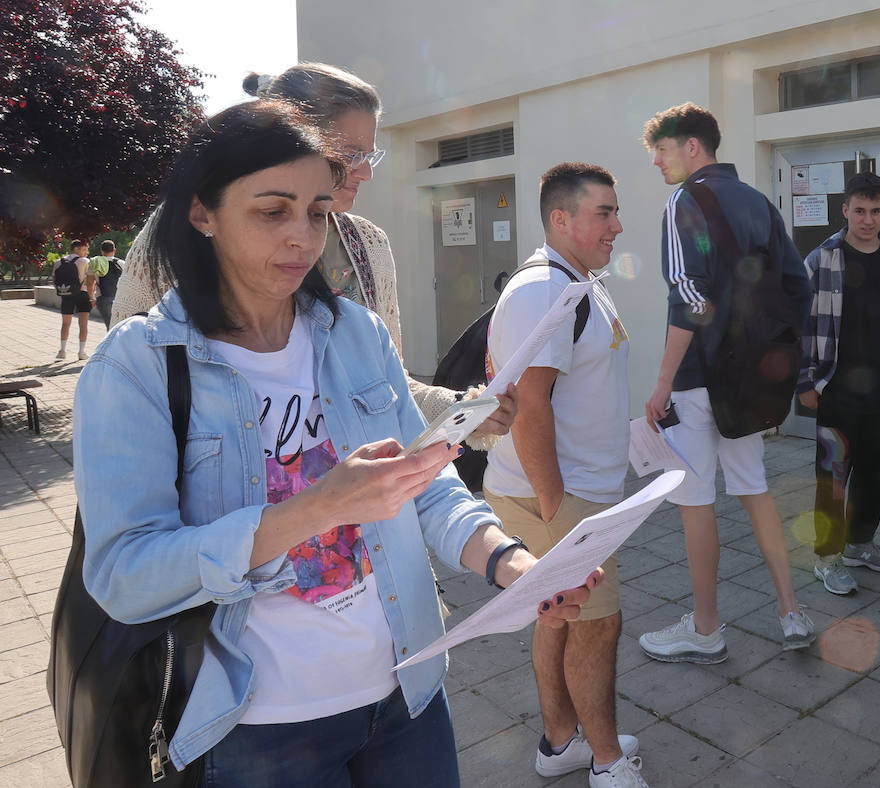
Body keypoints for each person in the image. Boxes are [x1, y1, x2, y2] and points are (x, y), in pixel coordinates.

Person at [72, 100, 597, 788]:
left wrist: (510, 564)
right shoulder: (136, 366)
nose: (302, 236)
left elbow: (425, 483)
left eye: (318, 212)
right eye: (272, 211)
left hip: (406, 692)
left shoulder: (354, 332)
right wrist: (315, 509)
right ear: (202, 213)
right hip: (259, 728)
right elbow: (124, 575)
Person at [110, 63, 502, 430]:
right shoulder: (183, 233)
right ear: (290, 138)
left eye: (370, 155)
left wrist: (460, 410)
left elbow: (386, 385)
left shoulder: (368, 244)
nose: (365, 172)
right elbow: (131, 393)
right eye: (350, 154)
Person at [483, 163, 645, 788]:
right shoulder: (544, 288)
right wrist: (556, 508)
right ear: (561, 219)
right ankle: (606, 761)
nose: (617, 225)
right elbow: (529, 406)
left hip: (571, 492)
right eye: (604, 212)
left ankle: (560, 745)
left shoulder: (577, 281)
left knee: (561, 617)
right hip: (555, 496)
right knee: (597, 624)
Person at [637, 102, 814, 663]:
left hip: (697, 379)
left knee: (696, 500)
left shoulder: (684, 201)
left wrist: (661, 383)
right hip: (749, 380)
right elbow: (797, 286)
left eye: (662, 151)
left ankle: (707, 628)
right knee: (753, 487)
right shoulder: (760, 203)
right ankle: (791, 611)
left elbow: (688, 296)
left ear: (693, 147)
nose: (658, 163)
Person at [796, 172, 880, 595]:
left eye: (876, 211)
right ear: (845, 210)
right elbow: (798, 326)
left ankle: (860, 544)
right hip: (837, 394)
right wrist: (805, 381)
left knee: (876, 477)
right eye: (860, 211)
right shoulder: (820, 261)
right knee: (832, 477)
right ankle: (827, 558)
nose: (868, 220)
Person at [53, 239, 92, 360]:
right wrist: (92, 296)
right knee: (83, 324)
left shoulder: (59, 262)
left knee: (65, 323)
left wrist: (63, 290)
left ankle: (62, 351)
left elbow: (54, 279)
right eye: (84, 249)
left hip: (66, 294)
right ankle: (81, 352)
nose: (86, 252)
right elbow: (90, 280)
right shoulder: (84, 261)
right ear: (76, 249)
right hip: (82, 294)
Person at [88, 239, 124, 329]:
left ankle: (112, 341)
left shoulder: (95, 263)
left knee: (110, 325)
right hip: (119, 298)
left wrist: (92, 298)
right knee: (119, 325)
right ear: (114, 250)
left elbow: (89, 283)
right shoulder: (121, 263)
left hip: (102, 298)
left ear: (101, 251)